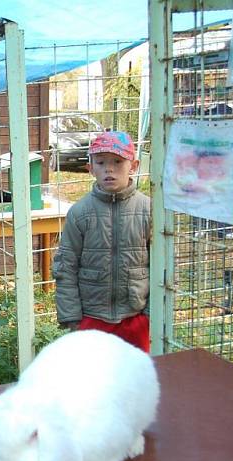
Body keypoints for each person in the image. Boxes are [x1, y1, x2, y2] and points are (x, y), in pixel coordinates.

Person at [51, 130, 151, 352]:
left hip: (135, 317)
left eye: (117, 161)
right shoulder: (80, 213)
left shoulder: (148, 210)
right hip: (92, 318)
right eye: (101, 162)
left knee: (135, 377)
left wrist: (150, 314)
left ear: (133, 166)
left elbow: (160, 265)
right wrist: (72, 318)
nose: (109, 169)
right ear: (90, 168)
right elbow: (66, 266)